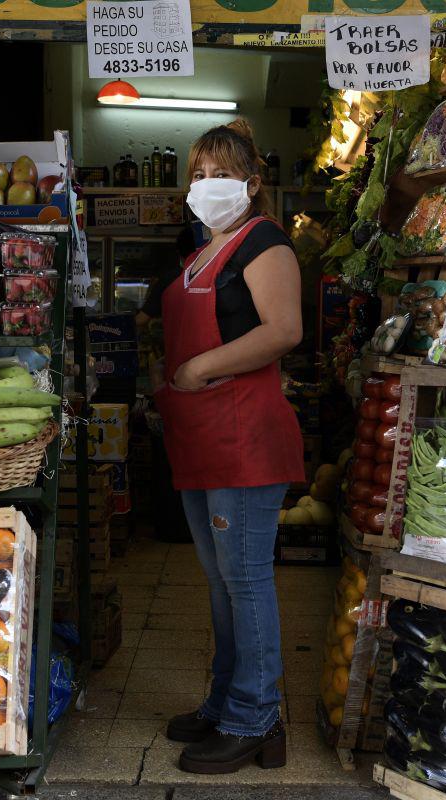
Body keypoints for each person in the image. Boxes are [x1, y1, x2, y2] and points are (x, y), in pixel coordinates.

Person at [151, 119, 305, 774]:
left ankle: (254, 718)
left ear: (253, 182)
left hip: (244, 438)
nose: (209, 185)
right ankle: (224, 702)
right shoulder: (203, 250)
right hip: (202, 436)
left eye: (222, 174)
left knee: (245, 580)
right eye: (200, 174)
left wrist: (200, 367)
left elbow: (284, 330)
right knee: (220, 583)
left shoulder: (264, 244)